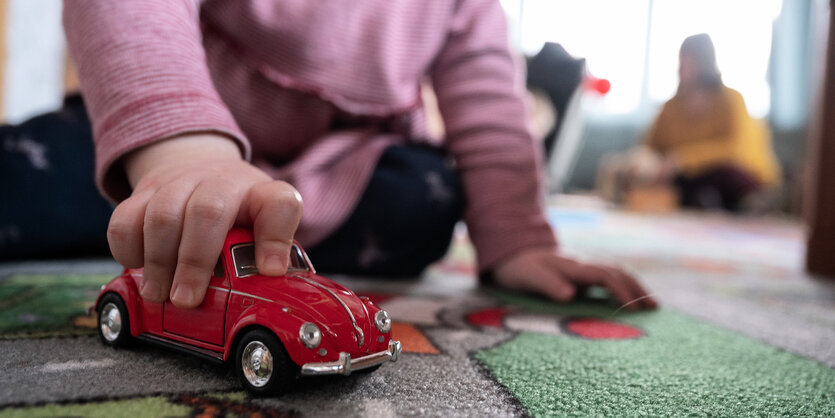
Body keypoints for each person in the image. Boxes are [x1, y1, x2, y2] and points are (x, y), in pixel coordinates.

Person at [62, 0, 656, 311]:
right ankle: (164, 214)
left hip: (342, 162)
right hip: (169, 136)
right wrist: (182, 153)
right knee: (51, 166)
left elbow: (489, 98)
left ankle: (201, 231)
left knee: (425, 199)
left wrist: (519, 239)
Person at [645, 33, 780, 211]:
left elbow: (732, 147)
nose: (684, 66)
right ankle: (705, 200)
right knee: (680, 182)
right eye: (682, 59)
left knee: (726, 176)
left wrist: (683, 159)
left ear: (705, 62)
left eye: (691, 60)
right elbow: (651, 146)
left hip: (738, 174)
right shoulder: (671, 106)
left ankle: (742, 203)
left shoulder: (731, 99)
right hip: (688, 178)